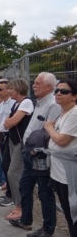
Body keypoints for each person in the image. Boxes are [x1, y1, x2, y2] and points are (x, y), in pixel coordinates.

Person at [8, 72, 61, 236]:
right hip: (28, 152)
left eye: (37, 83)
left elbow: (49, 130)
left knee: (45, 193)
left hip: (40, 155)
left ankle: (48, 229)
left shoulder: (53, 104)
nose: (33, 85)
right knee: (24, 186)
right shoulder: (39, 102)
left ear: (48, 87)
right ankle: (26, 220)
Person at [44, 79, 77, 237]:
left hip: (68, 173)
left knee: (73, 213)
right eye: (56, 90)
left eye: (64, 91)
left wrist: (49, 128)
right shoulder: (63, 112)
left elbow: (62, 141)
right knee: (67, 211)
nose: (58, 93)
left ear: (74, 96)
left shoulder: (75, 114)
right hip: (58, 171)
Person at [3, 79, 34, 222]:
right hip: (13, 140)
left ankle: (20, 207)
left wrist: (9, 122)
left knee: (14, 173)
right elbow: (7, 122)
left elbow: (11, 122)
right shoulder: (17, 104)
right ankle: (18, 205)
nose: (8, 91)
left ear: (18, 89)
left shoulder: (26, 102)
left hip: (21, 143)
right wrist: (9, 122)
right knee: (12, 172)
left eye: (10, 89)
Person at [0, 79, 15, 206]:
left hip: (9, 136)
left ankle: (12, 195)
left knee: (8, 165)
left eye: (0, 89)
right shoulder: (3, 104)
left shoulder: (12, 104)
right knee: (4, 164)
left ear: (8, 90)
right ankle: (9, 193)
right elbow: (1, 123)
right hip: (2, 135)